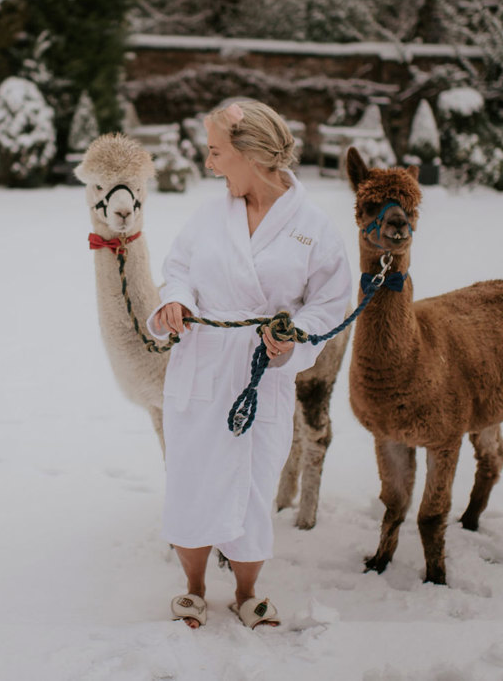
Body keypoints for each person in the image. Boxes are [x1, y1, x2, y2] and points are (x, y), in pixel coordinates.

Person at [147, 100, 352, 630]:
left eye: (217, 152)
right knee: (192, 477)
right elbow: (179, 267)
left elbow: (329, 303)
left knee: (254, 483)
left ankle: (246, 591)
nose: (210, 164)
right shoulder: (210, 215)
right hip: (202, 364)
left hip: (263, 374)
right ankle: (193, 587)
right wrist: (177, 301)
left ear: (250, 154)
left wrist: (292, 339)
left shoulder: (312, 228)